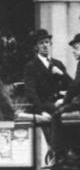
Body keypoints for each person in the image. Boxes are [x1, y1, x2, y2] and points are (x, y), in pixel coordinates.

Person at [23, 29, 72, 161]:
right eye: (41, 43)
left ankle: (70, 151)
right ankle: (57, 152)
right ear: (36, 47)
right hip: (44, 105)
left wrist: (61, 74)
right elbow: (31, 92)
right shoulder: (31, 66)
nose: (45, 45)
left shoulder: (58, 64)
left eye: (47, 42)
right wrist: (40, 110)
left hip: (60, 103)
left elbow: (72, 85)